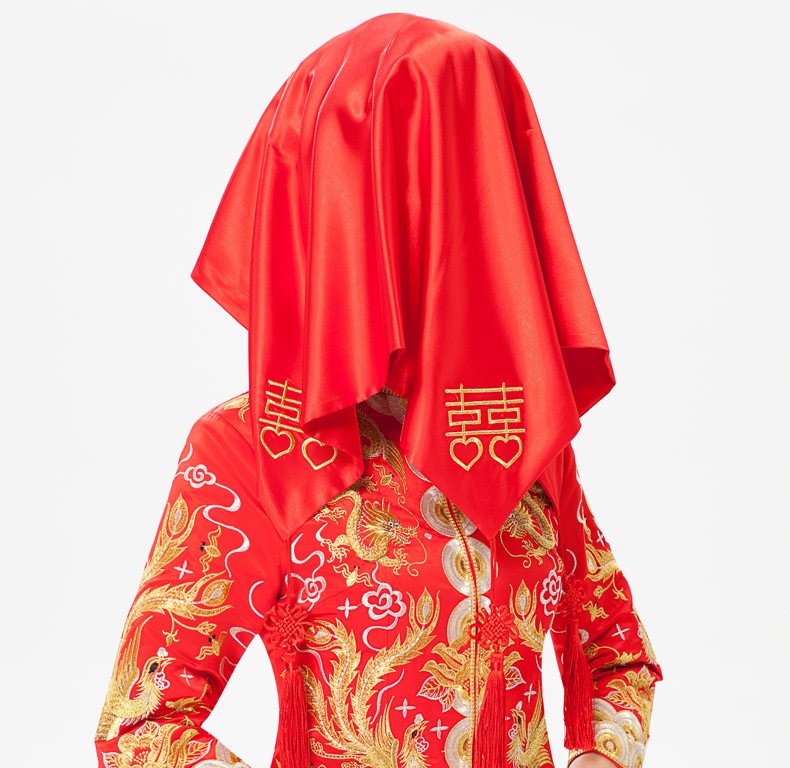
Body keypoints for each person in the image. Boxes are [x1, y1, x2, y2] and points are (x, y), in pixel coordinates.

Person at [93, 12, 663, 768]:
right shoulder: (255, 447)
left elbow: (618, 655)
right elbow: (143, 727)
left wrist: (604, 755)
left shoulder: (520, 436)